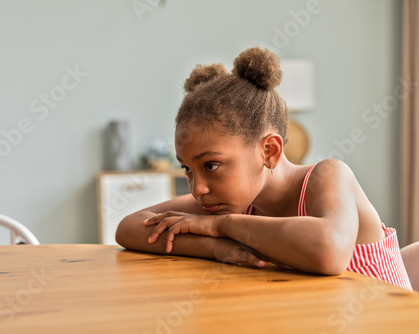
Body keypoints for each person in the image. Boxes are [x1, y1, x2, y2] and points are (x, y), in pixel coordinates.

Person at [115, 46, 413, 291]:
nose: (198, 189)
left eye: (211, 165)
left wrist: (222, 227)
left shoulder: (328, 176)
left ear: (269, 151)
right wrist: (215, 248)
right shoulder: (234, 201)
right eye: (187, 170)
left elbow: (329, 252)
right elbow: (130, 227)